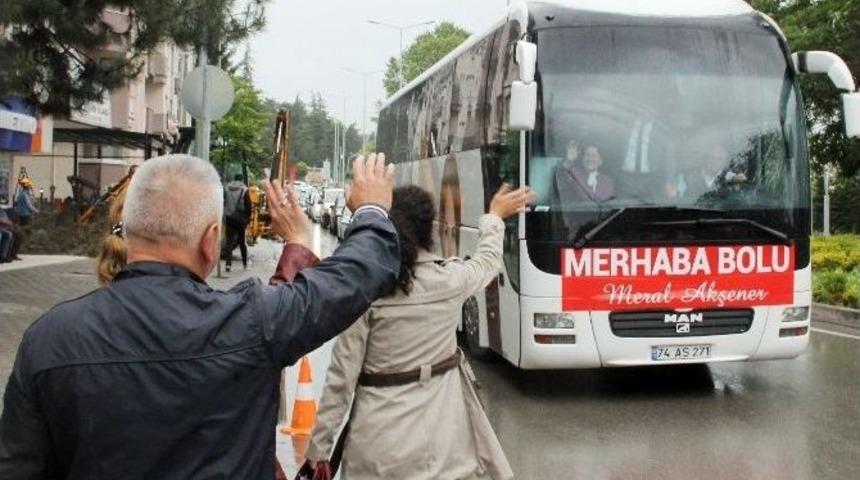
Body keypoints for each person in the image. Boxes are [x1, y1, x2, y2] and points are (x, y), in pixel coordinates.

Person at [0, 153, 401, 479]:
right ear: (211, 241)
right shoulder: (251, 324)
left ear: (127, 232)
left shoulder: (49, 337)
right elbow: (356, 275)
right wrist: (371, 210)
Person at [301, 184, 532, 480]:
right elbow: (487, 262)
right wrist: (494, 217)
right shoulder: (450, 280)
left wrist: (318, 451)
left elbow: (340, 380)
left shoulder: (369, 292)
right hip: (443, 444)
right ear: (428, 231)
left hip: (378, 446)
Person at [666, 145, 747, 200]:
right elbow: (675, 195)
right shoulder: (688, 177)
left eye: (720, 159)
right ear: (705, 159)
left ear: (724, 162)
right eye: (712, 157)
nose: (715, 161)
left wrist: (737, 178)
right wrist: (673, 192)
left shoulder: (726, 175)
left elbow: (742, 178)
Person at [223, 173, 252, 272]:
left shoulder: (227, 188)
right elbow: (249, 207)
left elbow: (224, 202)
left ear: (234, 179)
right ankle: (244, 263)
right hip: (240, 219)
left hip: (229, 218)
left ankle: (228, 265)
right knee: (242, 242)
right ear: (242, 180)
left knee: (229, 243)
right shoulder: (245, 190)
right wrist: (247, 219)